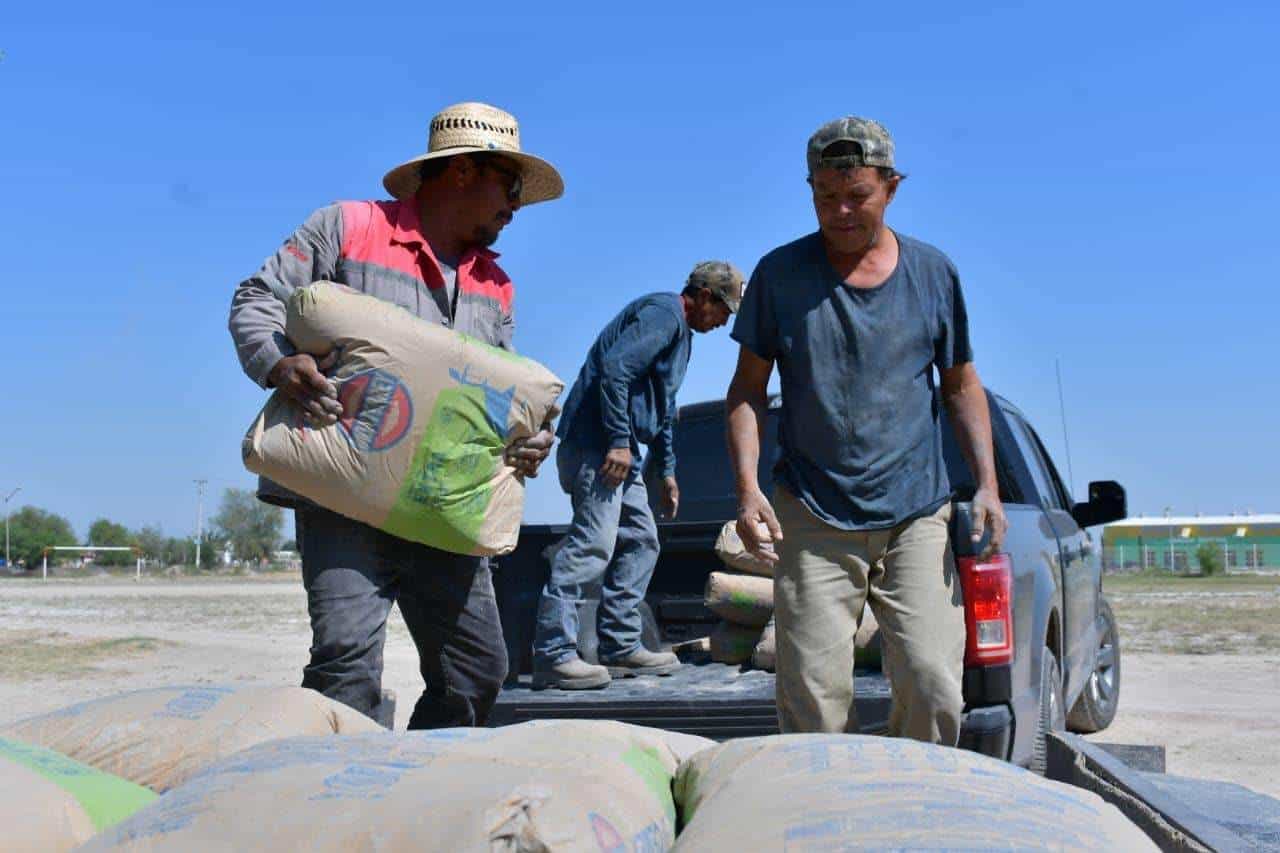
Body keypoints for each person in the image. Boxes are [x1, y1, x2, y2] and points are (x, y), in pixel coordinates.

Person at [228, 102, 563, 728]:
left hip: (443, 503)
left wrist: (530, 438)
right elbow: (257, 299)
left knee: (477, 671)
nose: (515, 206)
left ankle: (417, 789)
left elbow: (499, 386)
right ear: (462, 172)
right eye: (510, 186)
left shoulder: (495, 283)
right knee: (345, 666)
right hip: (343, 500)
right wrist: (279, 364)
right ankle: (342, 797)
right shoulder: (347, 228)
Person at [725, 116, 1009, 744]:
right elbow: (746, 391)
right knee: (812, 697)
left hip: (916, 513)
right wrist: (748, 490)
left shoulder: (934, 274)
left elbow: (961, 385)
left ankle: (913, 812)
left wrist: (986, 484)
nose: (842, 210)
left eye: (858, 195)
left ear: (892, 188)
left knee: (935, 681)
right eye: (826, 196)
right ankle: (828, 819)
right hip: (814, 513)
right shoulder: (780, 276)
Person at [532, 263, 744, 689]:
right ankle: (553, 653)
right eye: (723, 310)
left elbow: (663, 407)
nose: (723, 322)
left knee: (643, 539)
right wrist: (617, 441)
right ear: (703, 295)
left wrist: (665, 470)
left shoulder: (682, 337)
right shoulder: (665, 314)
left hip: (618, 452)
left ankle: (620, 644)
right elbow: (615, 369)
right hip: (597, 447)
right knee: (592, 544)